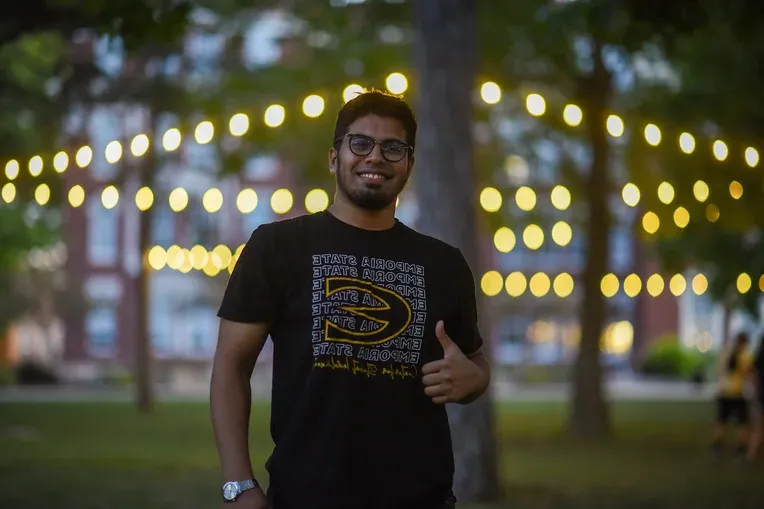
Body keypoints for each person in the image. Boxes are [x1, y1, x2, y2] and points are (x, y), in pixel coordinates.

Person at [210, 89, 491, 509]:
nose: (375, 156)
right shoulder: (278, 247)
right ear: (333, 157)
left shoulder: (444, 264)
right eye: (360, 143)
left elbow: (474, 359)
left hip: (420, 497)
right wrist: (239, 485)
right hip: (307, 495)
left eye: (393, 147)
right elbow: (231, 366)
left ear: (409, 164)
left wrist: (476, 379)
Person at [712, 331, 754, 458]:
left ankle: (717, 444)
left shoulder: (726, 352)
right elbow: (748, 372)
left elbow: (720, 369)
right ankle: (741, 446)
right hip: (737, 392)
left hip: (724, 391)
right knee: (743, 421)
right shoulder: (744, 355)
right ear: (745, 342)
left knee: (721, 420)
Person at [747, 335, 764, 461]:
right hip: (761, 393)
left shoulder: (760, 354)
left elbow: (752, 372)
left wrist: (755, 389)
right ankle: (752, 454)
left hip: (761, 393)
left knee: (759, 426)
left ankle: (752, 454)